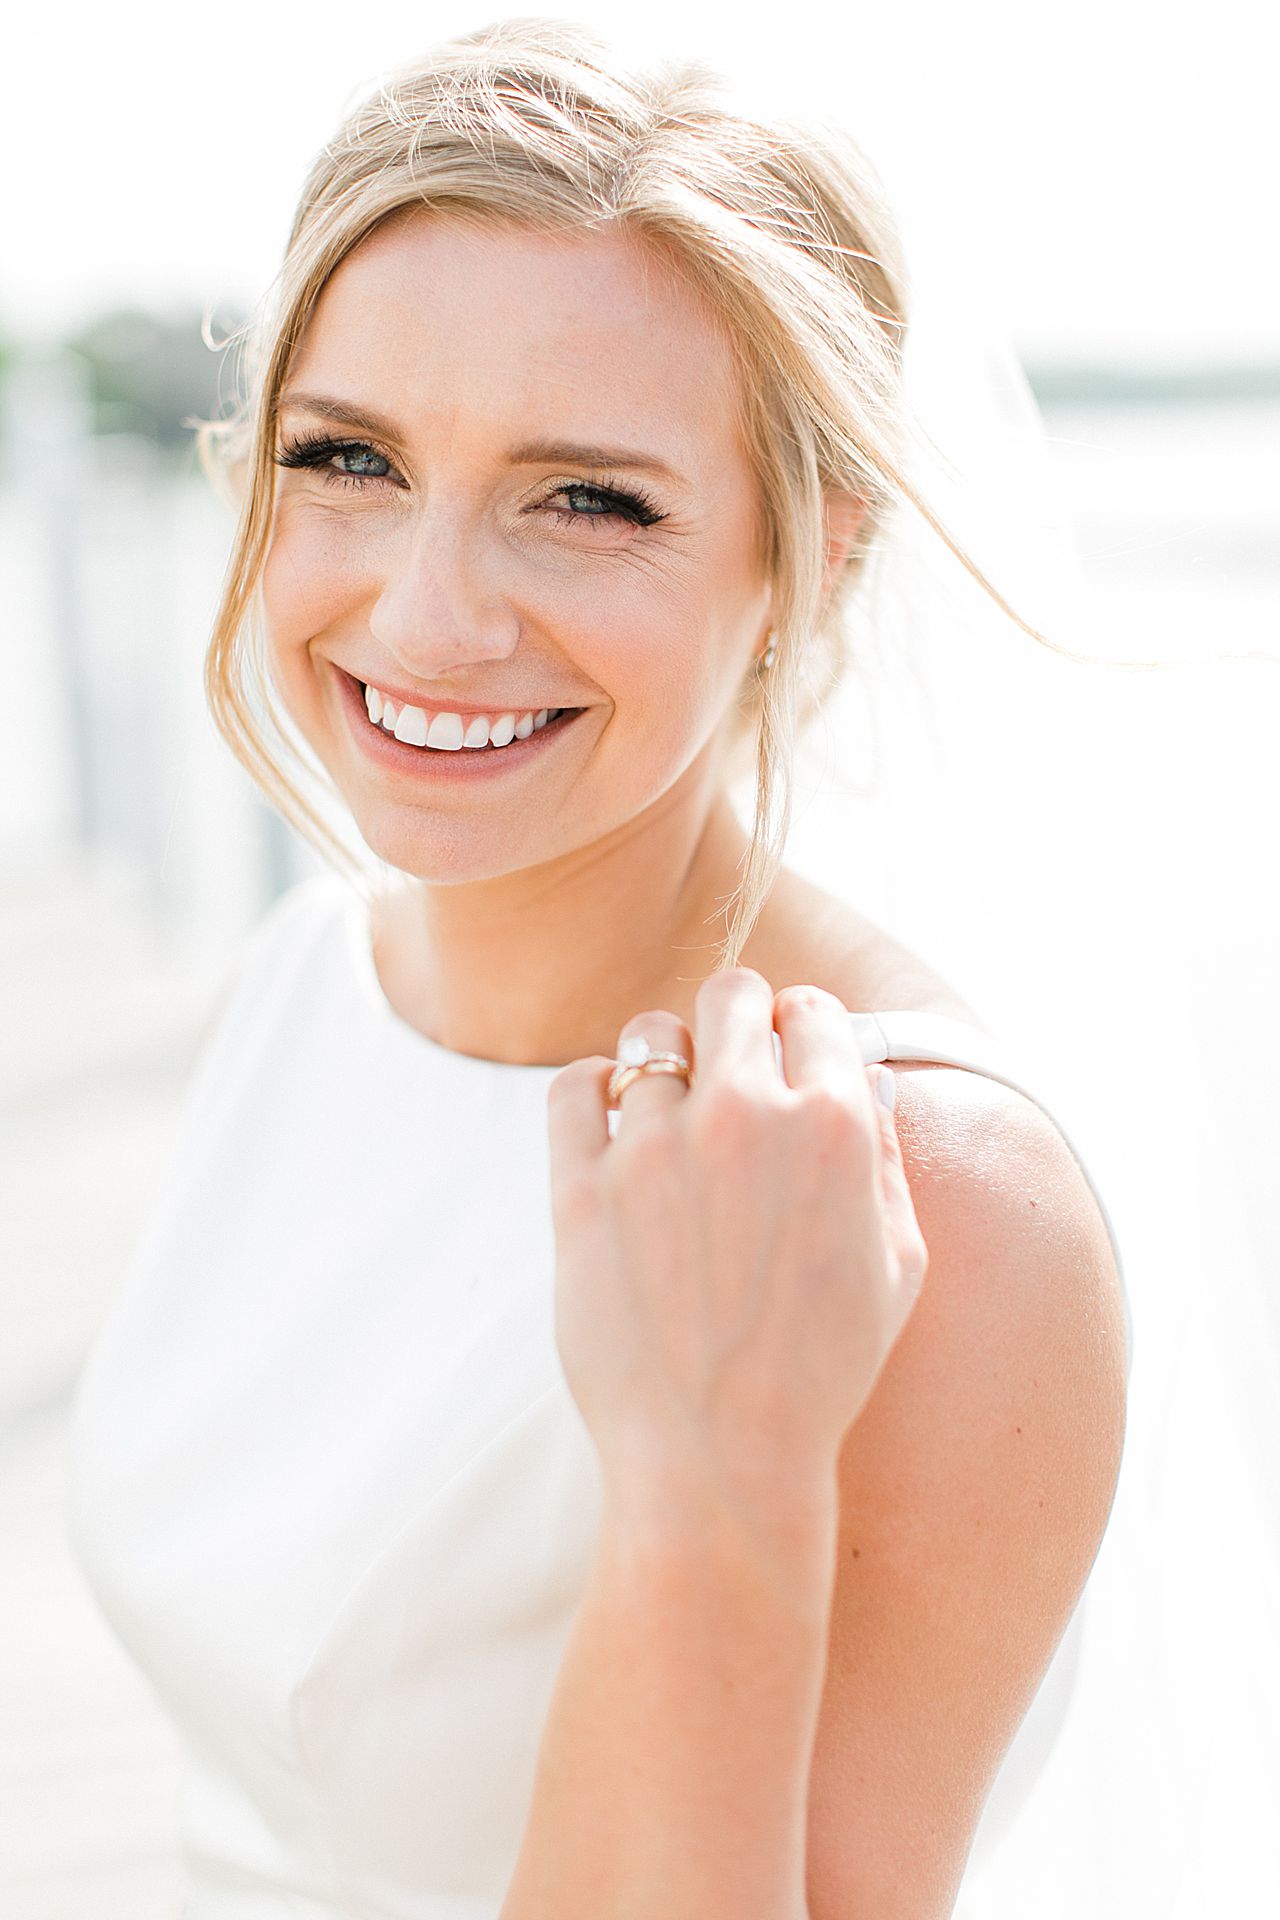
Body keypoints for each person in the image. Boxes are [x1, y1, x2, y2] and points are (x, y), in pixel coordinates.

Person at [67, 18, 1134, 1919]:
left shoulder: (937, 1199)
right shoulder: (308, 978)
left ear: (813, 555)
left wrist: (706, 1467)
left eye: (591, 499)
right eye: (350, 459)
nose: (427, 610)